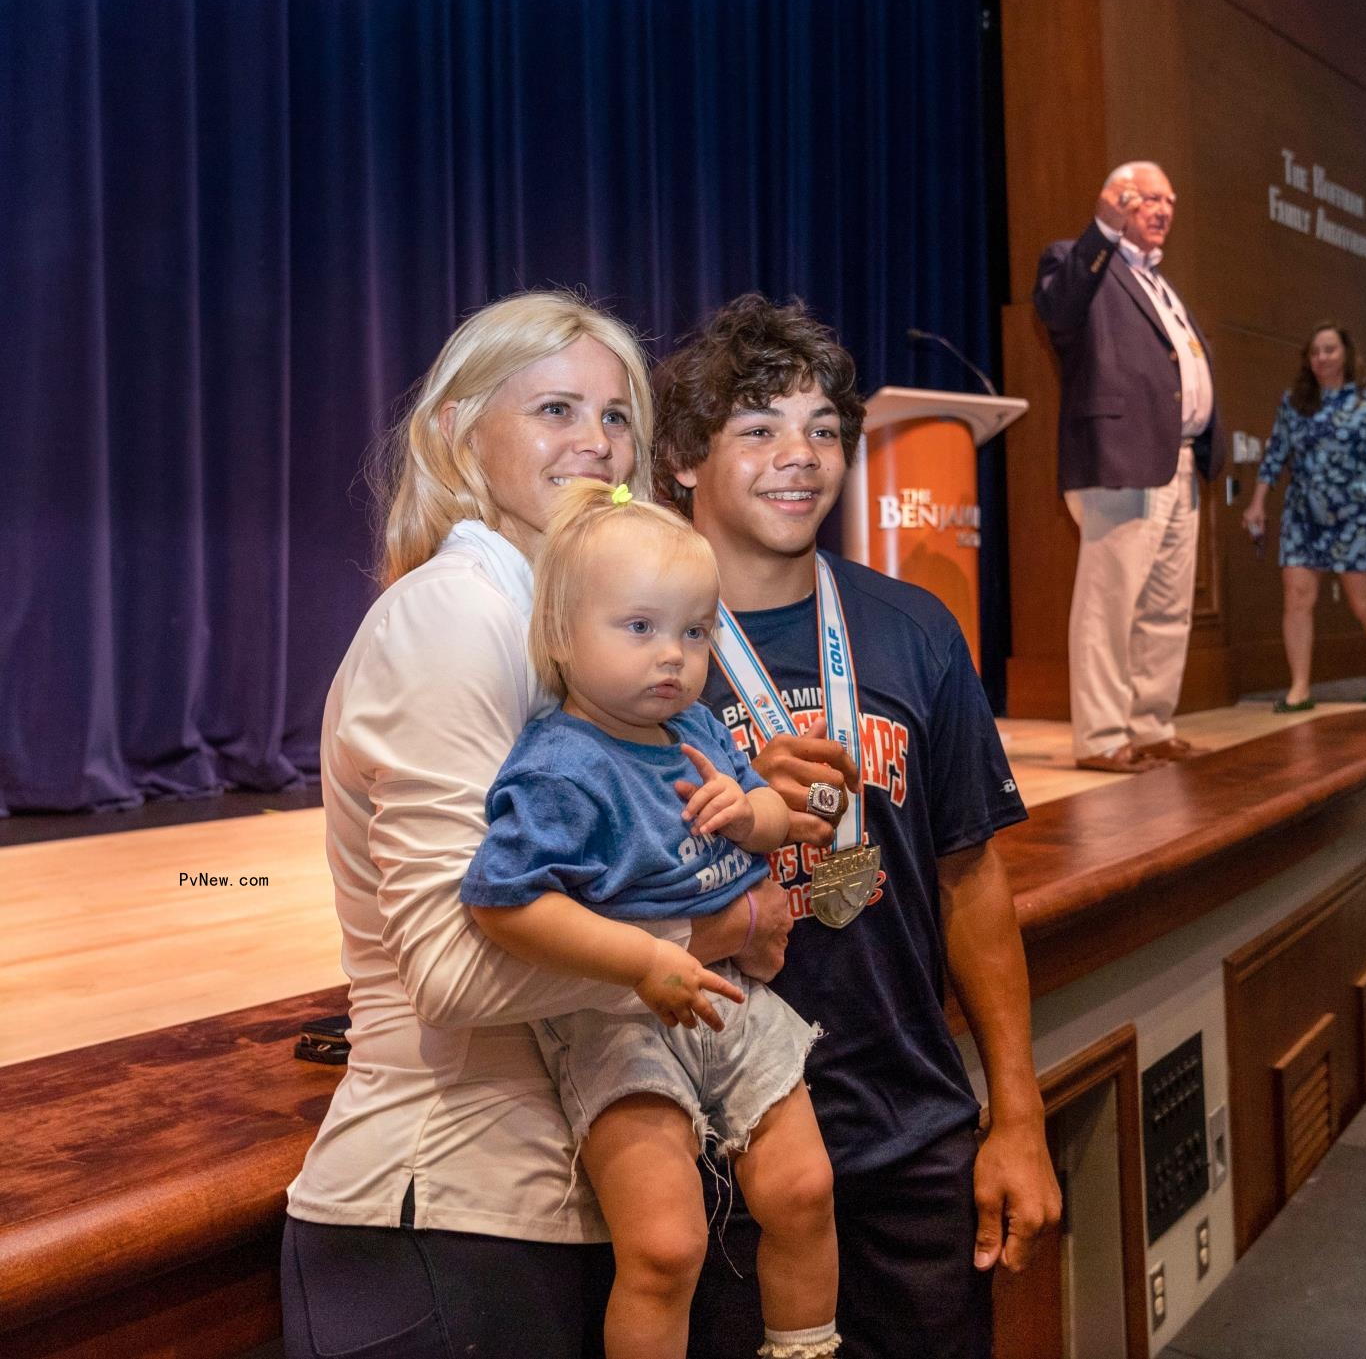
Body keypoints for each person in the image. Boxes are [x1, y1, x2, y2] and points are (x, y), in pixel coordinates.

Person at [282, 290, 804, 1359]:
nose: (596, 444)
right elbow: (455, 973)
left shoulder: (571, 637)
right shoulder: (453, 615)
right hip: (443, 1217)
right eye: (555, 410)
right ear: (455, 435)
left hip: (543, 1208)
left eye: (616, 417)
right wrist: (718, 934)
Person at [654, 293, 1061, 1359]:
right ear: (685, 459)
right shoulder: (633, 654)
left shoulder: (915, 629)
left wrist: (1015, 1115)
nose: (801, 457)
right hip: (716, 1156)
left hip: (909, 1140)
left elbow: (974, 880)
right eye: (759, 429)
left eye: (824, 430)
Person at [460, 484, 839, 1359]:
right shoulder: (560, 763)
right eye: (639, 628)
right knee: (667, 1246)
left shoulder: (695, 725)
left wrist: (752, 816)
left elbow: (775, 816)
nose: (673, 656)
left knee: (806, 1187)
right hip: (615, 1016)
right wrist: (640, 958)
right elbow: (502, 900)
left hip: (728, 995)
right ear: (560, 635)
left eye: (694, 631)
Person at [1032, 161, 1222, 773]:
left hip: (1178, 462)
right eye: (1148, 198)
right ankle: (1103, 735)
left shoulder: (1162, 284)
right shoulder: (1079, 260)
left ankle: (1150, 724)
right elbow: (1058, 312)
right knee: (1109, 603)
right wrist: (1100, 232)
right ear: (1116, 201)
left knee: (1168, 606)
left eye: (1170, 199)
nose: (1163, 208)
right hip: (1119, 459)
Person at [1241, 323, 1366, 712]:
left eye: (1329, 350)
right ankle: (1299, 687)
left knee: (1364, 604)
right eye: (1315, 352)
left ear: (1345, 353)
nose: (1321, 358)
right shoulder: (1296, 401)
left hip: (1359, 511)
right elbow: (1275, 456)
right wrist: (1257, 503)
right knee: (1297, 597)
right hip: (1304, 512)